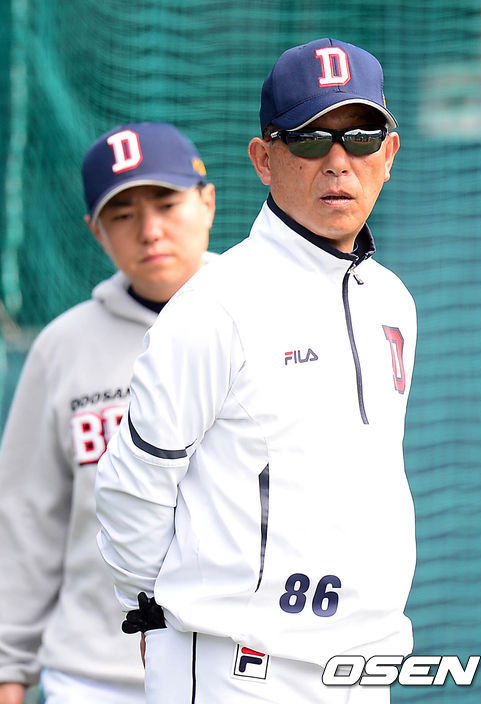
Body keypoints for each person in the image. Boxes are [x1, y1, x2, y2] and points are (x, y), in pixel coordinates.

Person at [96, 38, 417, 704]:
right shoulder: (215, 306)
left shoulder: (392, 300)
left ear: (388, 154)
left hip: (362, 665)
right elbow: (133, 483)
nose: (338, 161)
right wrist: (153, 611)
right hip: (235, 670)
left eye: (360, 137)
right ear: (264, 160)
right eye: (310, 139)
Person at [0, 121, 216, 704]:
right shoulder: (61, 347)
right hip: (93, 678)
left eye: (166, 204)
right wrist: (8, 666)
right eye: (122, 214)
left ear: (207, 202)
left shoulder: (267, 322)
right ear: (96, 231)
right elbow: (25, 519)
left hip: (237, 670)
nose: (149, 230)